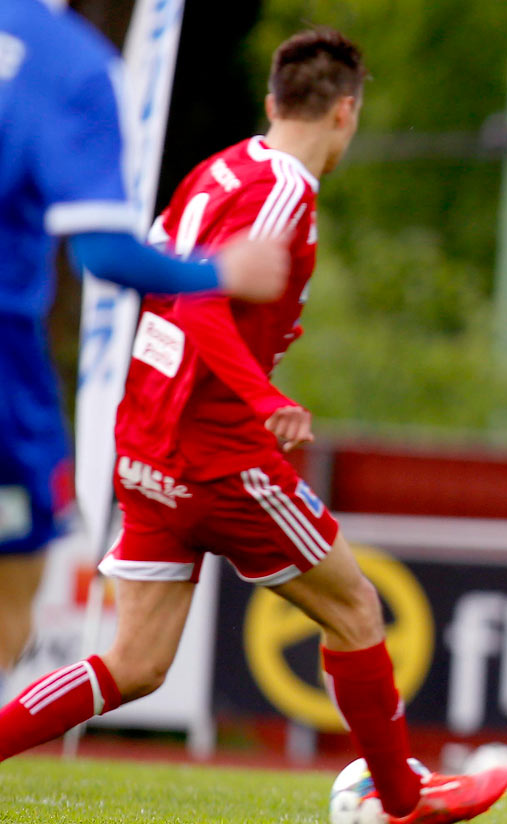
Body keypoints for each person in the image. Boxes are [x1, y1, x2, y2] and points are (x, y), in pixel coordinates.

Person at [0, 28, 507, 824]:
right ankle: (407, 797)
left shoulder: (217, 169)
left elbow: (170, 285)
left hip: (148, 446)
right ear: (346, 112)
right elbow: (203, 304)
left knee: (135, 664)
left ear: (273, 102)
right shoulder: (286, 189)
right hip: (219, 453)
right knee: (354, 607)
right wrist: (263, 393)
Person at [0, 0, 290, 670]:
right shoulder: (74, 64)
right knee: (12, 600)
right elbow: (102, 256)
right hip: (6, 367)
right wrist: (222, 270)